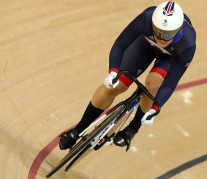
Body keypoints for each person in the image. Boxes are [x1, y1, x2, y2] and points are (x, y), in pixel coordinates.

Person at [59, 1, 196, 150]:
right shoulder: (146, 18)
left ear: (178, 29)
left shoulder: (188, 44)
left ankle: (133, 128)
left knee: (153, 84)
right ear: (153, 23)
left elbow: (170, 82)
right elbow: (120, 45)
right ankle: (78, 129)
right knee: (115, 86)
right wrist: (113, 71)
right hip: (144, 45)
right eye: (157, 30)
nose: (161, 38)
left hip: (168, 58)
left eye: (168, 34)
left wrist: (155, 108)